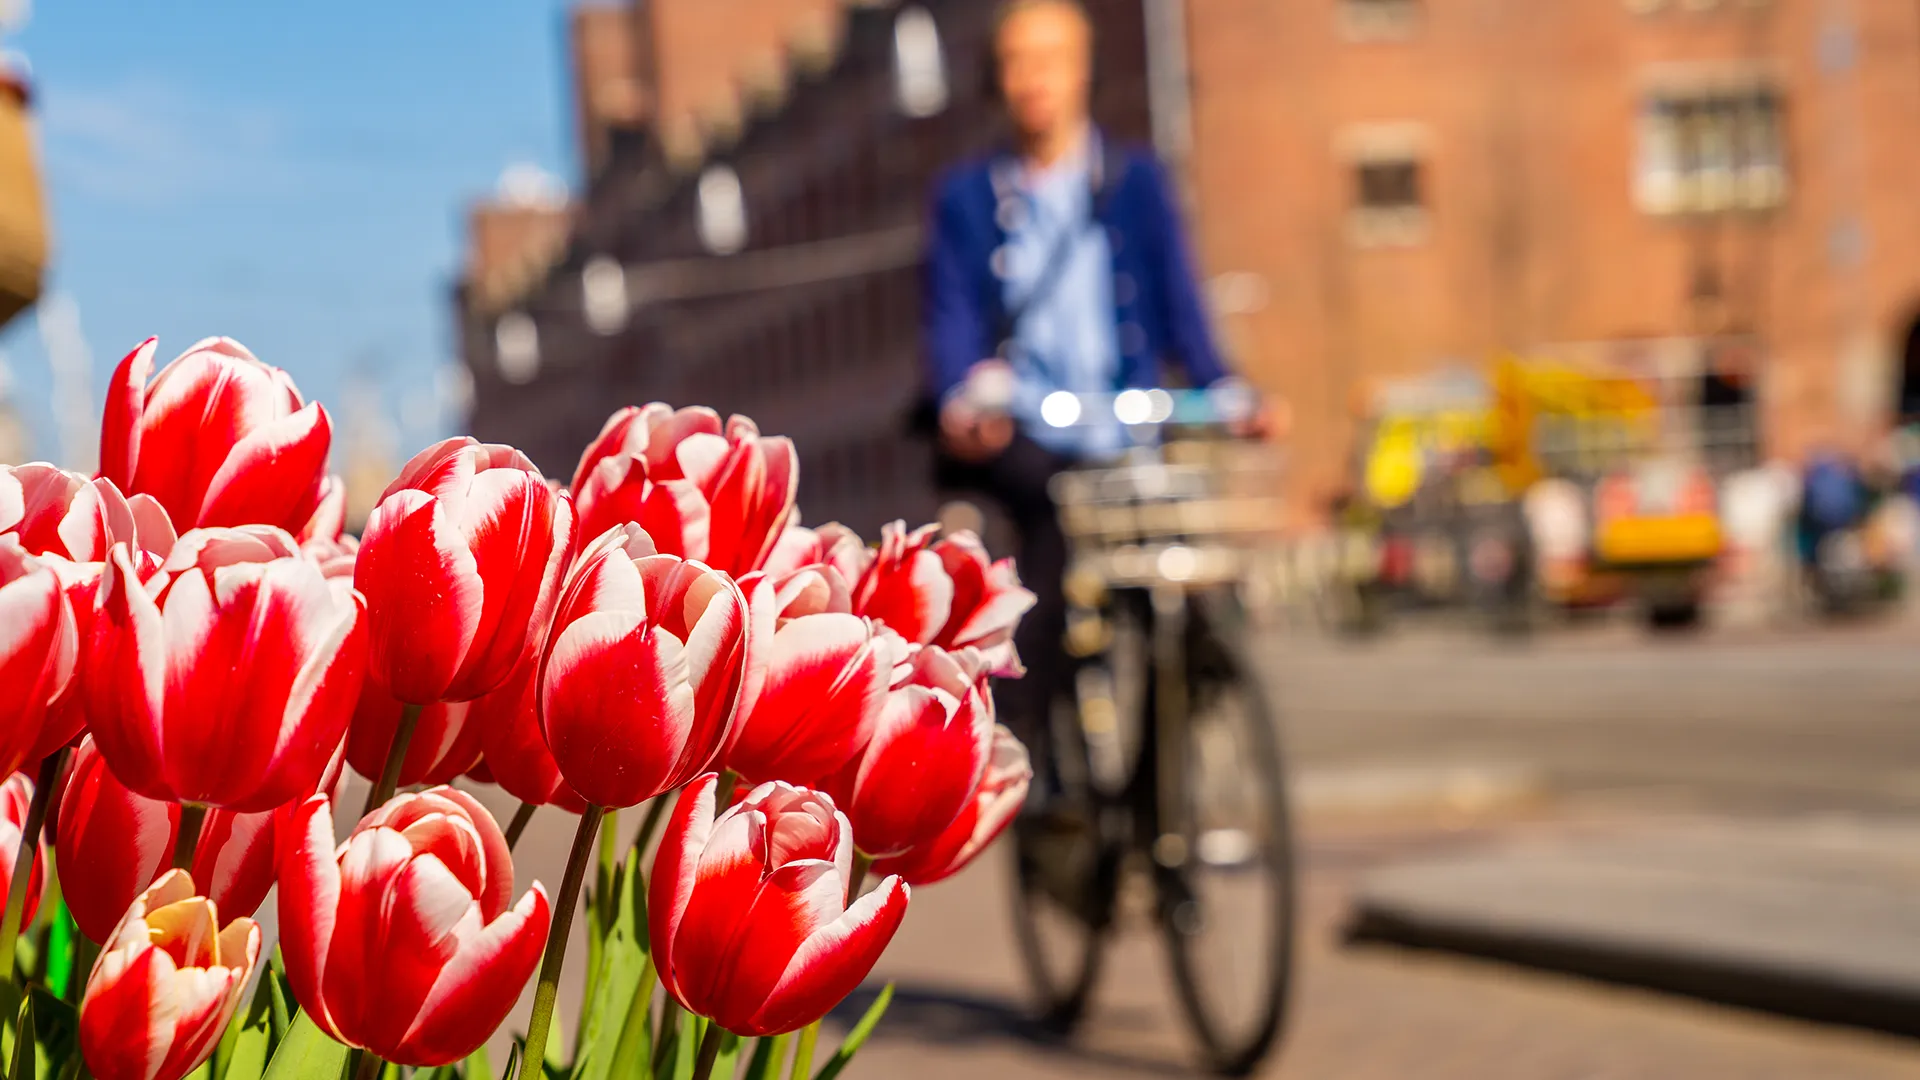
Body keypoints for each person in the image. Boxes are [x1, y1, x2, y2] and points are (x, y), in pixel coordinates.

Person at [920, 0, 1265, 788]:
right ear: (997, 80)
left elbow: (1182, 305)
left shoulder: (1134, 181)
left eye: (1050, 58)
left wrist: (1230, 391)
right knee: (1051, 536)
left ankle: (1163, 792)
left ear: (1082, 69)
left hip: (1128, 426)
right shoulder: (968, 197)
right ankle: (1026, 752)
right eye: (1016, 61)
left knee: (1184, 591)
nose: (1033, 78)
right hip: (1028, 432)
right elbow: (951, 319)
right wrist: (961, 398)